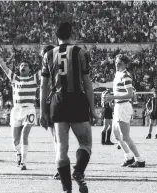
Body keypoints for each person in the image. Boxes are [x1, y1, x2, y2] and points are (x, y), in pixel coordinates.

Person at [40, 21, 99, 193]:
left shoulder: (48, 54)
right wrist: (93, 109)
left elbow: (43, 87)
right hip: (77, 100)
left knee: (61, 149)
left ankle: (66, 189)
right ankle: (79, 172)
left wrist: (43, 112)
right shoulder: (80, 52)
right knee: (85, 142)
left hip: (58, 102)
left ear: (56, 36)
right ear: (71, 35)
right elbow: (87, 84)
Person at [0, 44, 38, 171]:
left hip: (29, 109)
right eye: (22, 65)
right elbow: (3, 66)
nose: (23, 66)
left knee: (24, 136)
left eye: (26, 65)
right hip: (16, 110)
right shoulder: (14, 78)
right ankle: (18, 153)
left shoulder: (34, 79)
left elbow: (46, 69)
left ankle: (23, 162)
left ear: (30, 70)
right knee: (15, 140)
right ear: (19, 68)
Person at [103, 54, 145, 168]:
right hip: (118, 106)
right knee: (116, 135)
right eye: (116, 62)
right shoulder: (118, 74)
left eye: (120, 63)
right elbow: (115, 87)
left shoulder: (126, 76)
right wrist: (99, 85)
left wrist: (113, 97)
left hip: (123, 106)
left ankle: (139, 160)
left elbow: (130, 94)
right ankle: (128, 157)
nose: (117, 65)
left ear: (125, 64)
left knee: (125, 136)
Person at [40, 44, 61, 180]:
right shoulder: (64, 65)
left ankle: (61, 168)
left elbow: (43, 86)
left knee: (56, 138)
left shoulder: (47, 67)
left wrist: (42, 112)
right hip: (67, 99)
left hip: (52, 102)